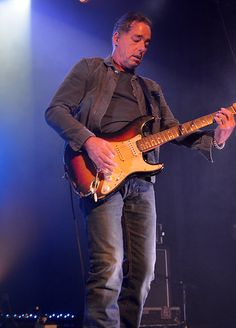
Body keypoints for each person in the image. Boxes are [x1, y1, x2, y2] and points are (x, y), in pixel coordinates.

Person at [45, 12, 235, 328]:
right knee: (108, 267)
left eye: (147, 43)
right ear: (116, 37)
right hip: (101, 172)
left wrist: (216, 138)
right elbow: (55, 111)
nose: (143, 47)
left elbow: (174, 131)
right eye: (137, 39)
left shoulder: (151, 89)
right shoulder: (90, 69)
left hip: (142, 183)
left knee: (145, 272)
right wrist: (90, 141)